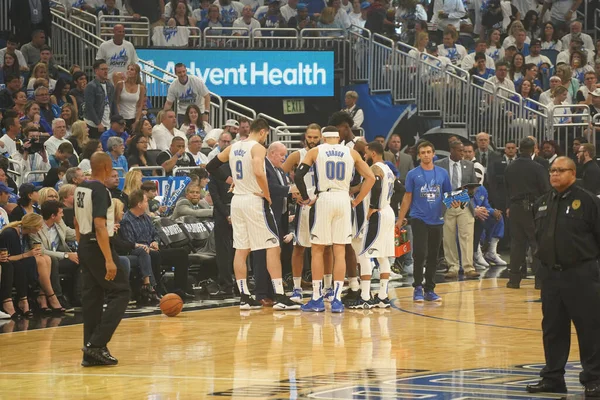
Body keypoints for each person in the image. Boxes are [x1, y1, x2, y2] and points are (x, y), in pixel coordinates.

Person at [206, 118, 300, 310]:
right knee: (273, 246)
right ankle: (280, 296)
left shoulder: (233, 147)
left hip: (237, 201)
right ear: (263, 132)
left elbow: (211, 167)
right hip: (253, 200)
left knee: (241, 249)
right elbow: (258, 171)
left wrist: (230, 179)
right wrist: (266, 193)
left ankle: (244, 297)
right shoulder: (257, 148)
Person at [526, 156, 600, 398]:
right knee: (553, 328)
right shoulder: (542, 202)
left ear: (573, 173)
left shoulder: (587, 201)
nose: (554, 174)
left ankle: (594, 378)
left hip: (581, 274)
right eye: (552, 170)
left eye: (560, 170)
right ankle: (553, 377)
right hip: (551, 276)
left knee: (589, 328)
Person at [294, 125, 375, 313]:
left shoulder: (315, 151)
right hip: (343, 199)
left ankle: (316, 298)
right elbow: (370, 177)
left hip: (324, 198)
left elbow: (299, 175)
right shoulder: (351, 153)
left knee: (317, 250)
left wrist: (306, 197)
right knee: (339, 250)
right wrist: (357, 200)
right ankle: (337, 299)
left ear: (323, 138)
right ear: (338, 138)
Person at [73, 152, 129, 366]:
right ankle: (96, 344)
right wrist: (108, 259)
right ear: (106, 167)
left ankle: (90, 354)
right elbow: (99, 225)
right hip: (97, 246)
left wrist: (81, 247)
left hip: (85, 245)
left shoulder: (80, 188)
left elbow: (77, 222)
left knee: (93, 298)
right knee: (122, 291)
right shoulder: (101, 190)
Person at [396, 141, 457, 302]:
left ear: (433, 153)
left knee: (433, 255)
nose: (426, 155)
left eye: (428, 152)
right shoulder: (413, 174)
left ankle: (429, 289)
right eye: (422, 152)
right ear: (418, 155)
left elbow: (448, 195)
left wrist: (455, 202)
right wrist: (401, 219)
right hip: (418, 217)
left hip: (437, 219)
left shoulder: (443, 173)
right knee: (420, 253)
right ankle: (417, 287)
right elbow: (407, 196)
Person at [349, 141, 398, 308]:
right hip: (388, 211)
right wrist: (354, 190)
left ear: (374, 153)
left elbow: (375, 184)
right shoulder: (389, 169)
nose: (364, 155)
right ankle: (383, 296)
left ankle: (364, 297)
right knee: (383, 256)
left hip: (378, 213)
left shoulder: (376, 168)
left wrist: (372, 207)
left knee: (364, 255)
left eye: (366, 152)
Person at [120, 189, 195, 299]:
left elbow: (155, 233)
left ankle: (180, 290)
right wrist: (147, 247)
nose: (147, 204)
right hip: (140, 252)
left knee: (181, 253)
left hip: (153, 249)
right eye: (146, 201)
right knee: (154, 256)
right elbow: (130, 242)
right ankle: (157, 290)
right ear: (139, 204)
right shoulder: (126, 220)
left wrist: (155, 241)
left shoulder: (145, 217)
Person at [281, 124, 325, 303]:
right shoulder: (297, 155)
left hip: (323, 203)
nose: (313, 140)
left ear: (321, 137)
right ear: (305, 137)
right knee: (299, 247)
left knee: (325, 248)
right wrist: (293, 190)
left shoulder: (325, 154)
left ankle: (325, 287)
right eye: (310, 137)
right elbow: (279, 173)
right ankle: (297, 288)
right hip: (305, 205)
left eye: (316, 137)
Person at [505, 137, 551, 289]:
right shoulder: (537, 167)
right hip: (532, 208)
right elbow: (546, 190)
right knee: (536, 243)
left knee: (517, 244)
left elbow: (507, 188)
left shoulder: (510, 167)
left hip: (515, 208)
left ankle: (513, 280)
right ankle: (539, 281)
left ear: (519, 148)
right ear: (533, 149)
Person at [435, 140, 480, 280]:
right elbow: (436, 184)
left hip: (464, 201)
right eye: (460, 151)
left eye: (464, 151)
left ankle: (469, 267)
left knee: (466, 236)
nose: (463, 153)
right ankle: (453, 267)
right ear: (452, 150)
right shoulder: (439, 164)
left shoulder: (469, 165)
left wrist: (469, 190)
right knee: (448, 237)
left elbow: (474, 184)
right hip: (446, 202)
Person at [84, 60, 117, 139]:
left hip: (107, 122)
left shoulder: (110, 86)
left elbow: (112, 104)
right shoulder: (91, 86)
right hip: (94, 124)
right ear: (96, 71)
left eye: (107, 69)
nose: (106, 71)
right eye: (103, 69)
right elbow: (89, 107)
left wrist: (115, 120)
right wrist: (98, 123)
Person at [115, 64, 145, 131]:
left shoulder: (141, 87)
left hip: (133, 118)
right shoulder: (120, 84)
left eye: (132, 69)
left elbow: (140, 106)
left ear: (136, 73)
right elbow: (116, 102)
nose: (129, 71)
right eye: (128, 69)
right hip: (121, 117)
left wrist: (137, 120)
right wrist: (120, 117)